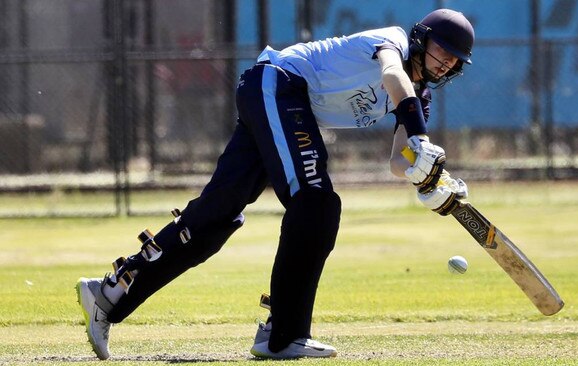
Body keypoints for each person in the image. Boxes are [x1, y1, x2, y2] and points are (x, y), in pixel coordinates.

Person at [76, 8, 474, 360]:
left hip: (274, 99)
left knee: (216, 216)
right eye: (443, 50)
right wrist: (422, 141)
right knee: (316, 203)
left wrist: (429, 180)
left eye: (455, 60)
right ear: (423, 38)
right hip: (280, 84)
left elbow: (396, 160)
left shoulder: (419, 98)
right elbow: (391, 75)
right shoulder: (394, 41)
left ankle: (109, 295)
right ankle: (283, 335)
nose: (446, 63)